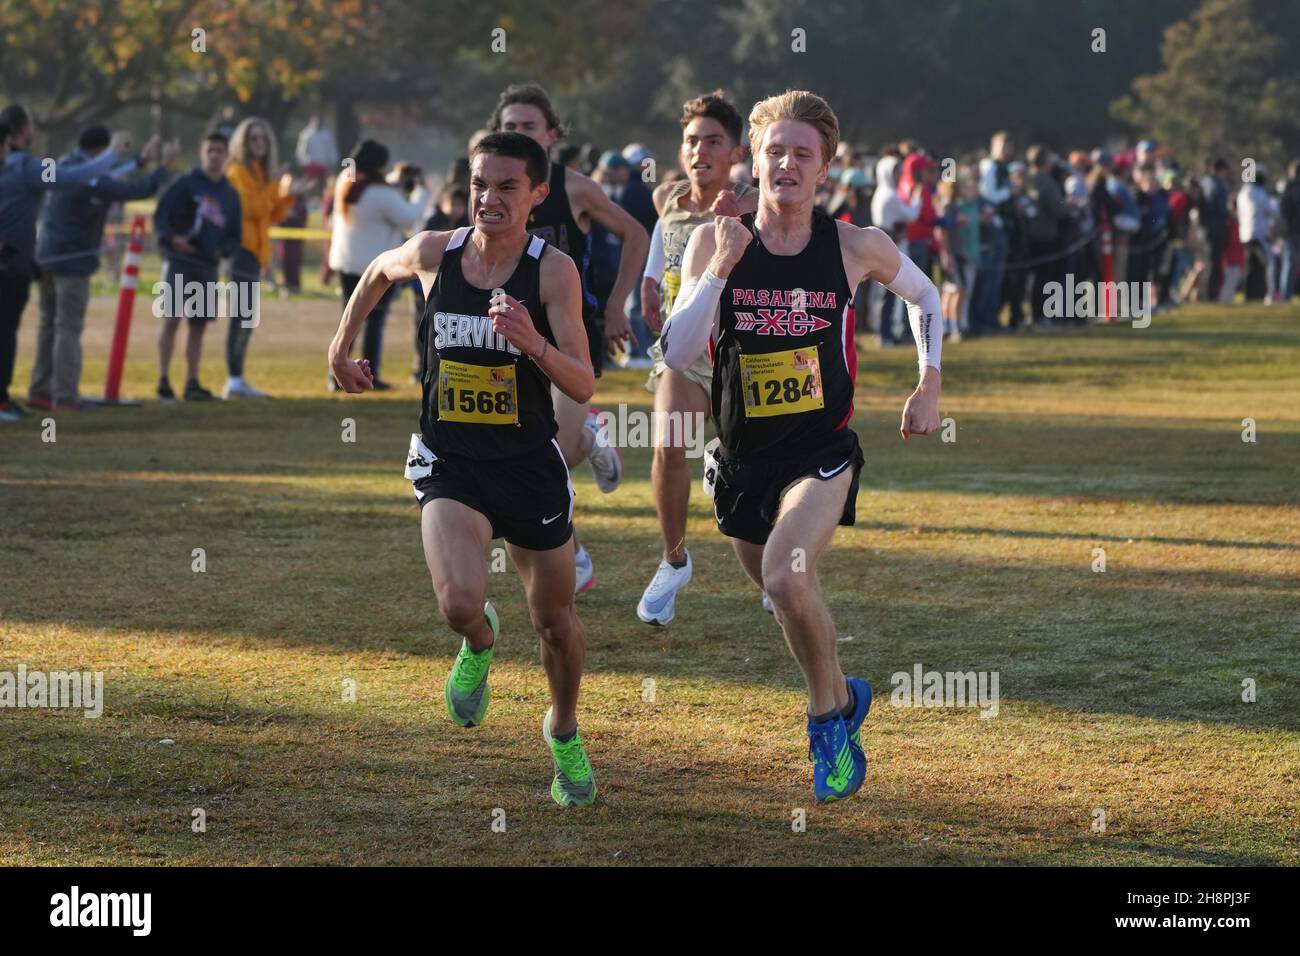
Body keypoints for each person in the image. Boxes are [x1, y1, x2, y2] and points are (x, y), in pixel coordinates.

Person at [661, 90, 942, 802]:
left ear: (826, 168)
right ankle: (843, 695)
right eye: (774, 152)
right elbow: (675, 351)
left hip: (822, 453)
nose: (786, 164)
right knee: (782, 590)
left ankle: (827, 730)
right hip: (742, 460)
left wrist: (928, 381)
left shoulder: (854, 246)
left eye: (801, 154)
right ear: (752, 163)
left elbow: (926, 298)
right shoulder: (712, 241)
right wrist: (720, 267)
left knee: (788, 577)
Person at [327, 131, 600, 806]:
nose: (490, 198)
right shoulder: (435, 252)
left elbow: (585, 381)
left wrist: (533, 343)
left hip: (529, 467)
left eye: (508, 187)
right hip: (450, 461)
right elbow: (375, 273)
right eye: (481, 184)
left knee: (557, 625)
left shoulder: (552, 271)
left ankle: (563, 732)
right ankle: (480, 641)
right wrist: (340, 347)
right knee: (457, 603)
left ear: (538, 194)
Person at [488, 83, 649, 593]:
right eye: (510, 127)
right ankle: (591, 432)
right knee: (520, 446)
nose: (519, 134)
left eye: (529, 127)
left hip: (570, 336)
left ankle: (572, 549)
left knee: (552, 451)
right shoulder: (488, 189)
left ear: (551, 134)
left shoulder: (575, 187)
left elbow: (636, 234)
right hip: (509, 336)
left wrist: (620, 301)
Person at [637, 89, 757, 626]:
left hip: (740, 350)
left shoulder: (756, 204)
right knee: (667, 446)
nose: (699, 151)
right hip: (683, 351)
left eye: (713, 141)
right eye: (691, 141)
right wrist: (644, 284)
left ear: (736, 151)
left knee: (750, 468)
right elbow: (663, 245)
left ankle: (774, 570)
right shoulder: (670, 201)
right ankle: (674, 558)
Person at [29, 125, 177, 411]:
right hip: (72, 262)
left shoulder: (68, 164)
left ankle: (41, 390)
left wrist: (140, 161)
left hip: (46, 258)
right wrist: (163, 167)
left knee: (48, 326)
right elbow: (133, 189)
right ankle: (65, 395)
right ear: (101, 150)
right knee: (68, 328)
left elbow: (105, 174)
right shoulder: (92, 177)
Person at [0, 105, 130, 422]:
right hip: (10, 264)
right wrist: (111, 154)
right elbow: (72, 177)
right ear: (20, 130)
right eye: (31, 125)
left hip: (18, 261)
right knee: (7, 332)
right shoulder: (25, 167)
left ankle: (14, 396)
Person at [223, 117, 317, 398]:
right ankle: (234, 379)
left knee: (247, 317)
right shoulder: (238, 171)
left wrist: (289, 195)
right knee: (240, 318)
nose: (259, 144)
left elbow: (272, 214)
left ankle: (237, 378)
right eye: (253, 138)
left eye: (263, 139)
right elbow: (250, 208)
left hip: (255, 253)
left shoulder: (260, 173)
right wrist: (276, 185)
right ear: (242, 142)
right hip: (240, 251)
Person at [327, 139, 428, 390]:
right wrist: (421, 190)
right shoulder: (381, 194)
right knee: (375, 322)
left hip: (346, 262)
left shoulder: (345, 181)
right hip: (373, 269)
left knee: (348, 322)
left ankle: (336, 375)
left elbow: (375, 187)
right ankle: (370, 375)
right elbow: (409, 216)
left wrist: (396, 176)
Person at [153, 130, 243, 401]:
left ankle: (192, 381)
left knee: (198, 326)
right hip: (180, 262)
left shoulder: (229, 194)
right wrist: (172, 238)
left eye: (220, 151)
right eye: (210, 150)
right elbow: (161, 215)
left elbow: (234, 235)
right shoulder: (186, 183)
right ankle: (163, 380)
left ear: (227, 156)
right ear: (202, 153)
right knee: (171, 320)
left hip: (206, 266)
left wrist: (221, 252)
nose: (215, 156)